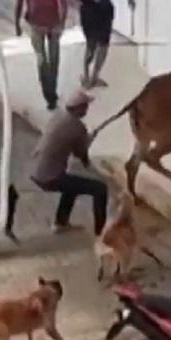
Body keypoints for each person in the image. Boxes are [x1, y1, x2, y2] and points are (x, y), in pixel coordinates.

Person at [30, 89, 108, 236]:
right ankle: (101, 232)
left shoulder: (57, 115)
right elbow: (79, 153)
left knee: (72, 186)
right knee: (100, 189)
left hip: (35, 169)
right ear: (78, 108)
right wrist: (91, 137)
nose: (87, 109)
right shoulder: (77, 127)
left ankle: (60, 223)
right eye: (85, 106)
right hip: (49, 177)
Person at [16, 0, 68, 110]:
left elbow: (63, 2)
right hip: (36, 27)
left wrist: (62, 23)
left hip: (53, 27)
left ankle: (53, 89)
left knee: (54, 60)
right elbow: (18, 5)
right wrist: (17, 25)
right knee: (41, 60)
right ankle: (48, 94)